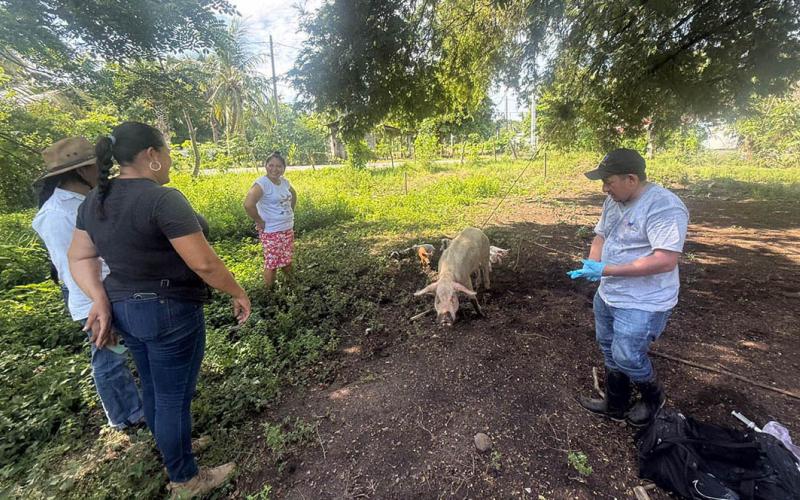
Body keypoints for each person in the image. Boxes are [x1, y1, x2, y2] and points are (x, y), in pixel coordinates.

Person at [67, 122, 251, 497]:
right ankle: (185, 478)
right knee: (172, 396)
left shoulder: (95, 200)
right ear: (151, 155)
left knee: (152, 387)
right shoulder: (162, 199)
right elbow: (204, 264)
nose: (169, 161)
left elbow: (79, 255)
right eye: (166, 153)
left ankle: (173, 448)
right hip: (169, 312)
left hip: (125, 311)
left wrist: (100, 298)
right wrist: (237, 291)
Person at [568, 148, 689, 427]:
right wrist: (593, 262)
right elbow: (601, 235)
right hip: (609, 293)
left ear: (631, 179)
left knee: (628, 354)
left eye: (609, 181)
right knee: (609, 347)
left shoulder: (664, 206)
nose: (604, 188)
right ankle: (616, 402)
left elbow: (665, 260)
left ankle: (652, 398)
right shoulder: (614, 200)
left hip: (643, 301)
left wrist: (606, 270)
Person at [31, 137, 144, 430]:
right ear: (80, 172)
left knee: (120, 349)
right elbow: (70, 267)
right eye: (96, 166)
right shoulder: (56, 214)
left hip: (113, 287)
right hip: (92, 296)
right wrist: (96, 306)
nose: (102, 170)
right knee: (108, 357)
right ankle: (126, 416)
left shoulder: (90, 199)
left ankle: (136, 406)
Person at [243, 151, 297, 288]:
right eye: (271, 165)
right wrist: (259, 220)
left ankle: (292, 286)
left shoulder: (284, 182)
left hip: (287, 228)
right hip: (271, 230)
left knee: (287, 260)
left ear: (284, 168)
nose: (275, 169)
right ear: (265, 166)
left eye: (279, 166)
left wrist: (290, 211)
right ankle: (269, 294)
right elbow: (248, 204)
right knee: (272, 264)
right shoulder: (262, 184)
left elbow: (293, 194)